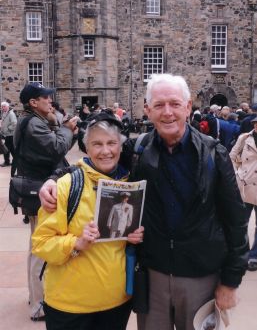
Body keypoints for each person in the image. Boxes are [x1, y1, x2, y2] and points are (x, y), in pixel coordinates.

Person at [39, 74, 248, 330]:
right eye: (159, 105)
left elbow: (236, 220)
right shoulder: (138, 150)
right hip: (153, 275)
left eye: (174, 103)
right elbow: (99, 161)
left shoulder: (214, 153)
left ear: (188, 106)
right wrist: (54, 177)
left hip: (200, 276)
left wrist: (230, 281)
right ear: (147, 110)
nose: (167, 112)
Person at [32, 111, 144, 330]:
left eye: (111, 143)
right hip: (70, 306)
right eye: (97, 144)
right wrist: (76, 243)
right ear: (87, 147)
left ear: (121, 147)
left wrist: (136, 238)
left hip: (116, 302)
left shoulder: (131, 185)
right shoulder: (65, 186)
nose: (105, 151)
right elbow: (41, 243)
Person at [13, 82, 78, 321]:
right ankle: (39, 304)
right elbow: (56, 148)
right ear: (33, 102)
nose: (50, 101)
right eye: (46, 98)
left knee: (36, 245)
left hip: (36, 188)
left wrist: (64, 130)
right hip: (38, 191)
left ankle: (35, 295)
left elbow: (56, 151)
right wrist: (68, 130)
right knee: (42, 249)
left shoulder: (35, 121)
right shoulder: (34, 124)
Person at [229, 116, 257, 272]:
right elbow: (231, 157)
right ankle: (243, 254)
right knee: (241, 223)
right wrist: (238, 174)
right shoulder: (245, 138)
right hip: (246, 185)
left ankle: (254, 256)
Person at [0, 101, 17, 166]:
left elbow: (14, 124)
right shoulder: (4, 113)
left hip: (10, 134)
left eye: (4, 106)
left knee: (6, 149)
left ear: (7, 107)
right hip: (6, 134)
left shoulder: (11, 114)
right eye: (2, 107)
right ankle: (15, 161)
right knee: (12, 149)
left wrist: (8, 129)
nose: (2, 108)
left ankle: (7, 162)